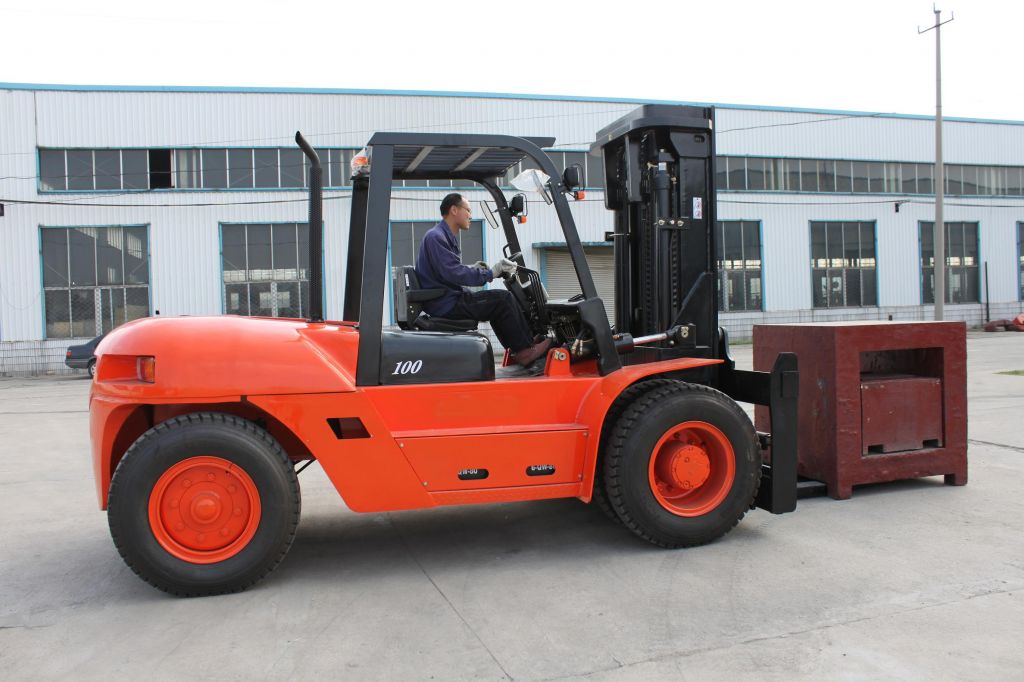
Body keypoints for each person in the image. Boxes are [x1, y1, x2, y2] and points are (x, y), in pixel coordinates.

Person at [415, 193, 552, 367]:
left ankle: (522, 345)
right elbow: (453, 273)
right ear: (454, 210)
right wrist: (491, 273)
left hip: (446, 299)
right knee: (503, 299)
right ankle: (524, 351)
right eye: (468, 210)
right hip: (447, 303)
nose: (470, 215)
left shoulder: (441, 236)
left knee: (494, 303)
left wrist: (474, 269)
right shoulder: (437, 237)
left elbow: (447, 270)